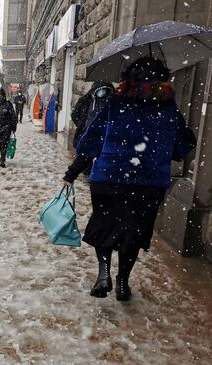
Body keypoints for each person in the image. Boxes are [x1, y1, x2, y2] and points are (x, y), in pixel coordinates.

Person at [62, 57, 196, 302]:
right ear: (163, 80)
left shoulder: (114, 104)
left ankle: (104, 274)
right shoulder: (168, 109)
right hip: (148, 184)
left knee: (104, 225)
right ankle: (123, 282)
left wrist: (72, 173)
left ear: (126, 79)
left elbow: (89, 143)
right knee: (133, 234)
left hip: (109, 179)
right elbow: (182, 147)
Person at [71, 81, 114, 149]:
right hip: (85, 133)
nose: (102, 92)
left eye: (104, 90)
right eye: (100, 90)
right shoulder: (85, 101)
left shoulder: (108, 103)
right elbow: (74, 114)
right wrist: (80, 124)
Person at [0, 88, 17, 168]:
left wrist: (13, 127)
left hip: (6, 127)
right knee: (1, 143)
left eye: (1, 95)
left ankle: (2, 159)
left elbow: (13, 117)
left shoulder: (8, 104)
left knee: (4, 143)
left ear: (3, 96)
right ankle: (2, 156)